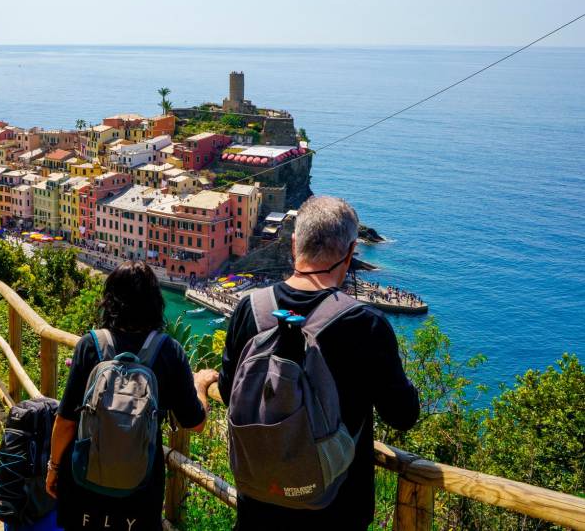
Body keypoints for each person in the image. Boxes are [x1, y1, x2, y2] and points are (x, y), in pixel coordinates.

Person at [218, 196, 420, 530]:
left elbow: (229, 394)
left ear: (295, 244)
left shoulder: (249, 309)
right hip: (336, 511)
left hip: (257, 503)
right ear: (351, 252)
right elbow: (402, 415)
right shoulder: (367, 324)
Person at [45, 261, 218, 531]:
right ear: (155, 302)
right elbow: (195, 422)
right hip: (139, 492)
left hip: (84, 484)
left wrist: (54, 467)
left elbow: (65, 422)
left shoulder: (90, 345)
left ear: (109, 300)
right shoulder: (169, 351)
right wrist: (202, 384)